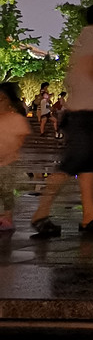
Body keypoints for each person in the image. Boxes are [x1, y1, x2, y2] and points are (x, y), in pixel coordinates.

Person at [31, 3, 93, 237]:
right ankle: (40, 214)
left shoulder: (87, 38)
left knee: (89, 165)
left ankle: (90, 215)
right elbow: (90, 67)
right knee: (71, 164)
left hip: (89, 112)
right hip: (84, 113)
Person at [0, 83, 31, 231]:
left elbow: (17, 142)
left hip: (8, 161)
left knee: (6, 190)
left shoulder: (16, 120)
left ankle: (7, 217)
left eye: (2, 99)